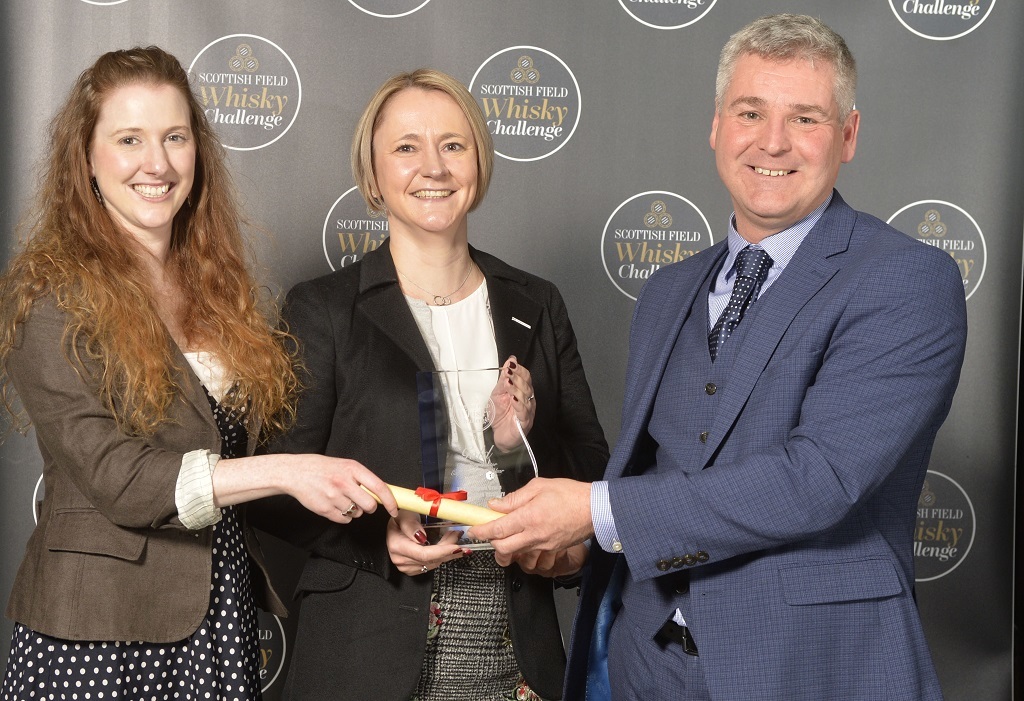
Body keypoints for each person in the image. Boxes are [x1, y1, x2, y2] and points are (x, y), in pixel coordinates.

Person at [470, 14, 968, 701]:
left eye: (806, 119)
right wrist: (577, 541)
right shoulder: (669, 289)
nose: (772, 141)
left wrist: (596, 511)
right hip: (646, 667)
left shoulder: (904, 279)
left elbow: (818, 478)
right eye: (751, 111)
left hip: (811, 668)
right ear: (716, 126)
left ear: (848, 135)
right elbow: (657, 476)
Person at [0, 46, 398, 700]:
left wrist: (383, 508)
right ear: (86, 159)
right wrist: (287, 472)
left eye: (175, 137)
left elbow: (261, 454)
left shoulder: (219, 294)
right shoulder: (50, 297)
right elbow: (119, 478)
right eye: (129, 139)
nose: (156, 163)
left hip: (219, 621)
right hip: (99, 635)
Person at [252, 68, 608, 700]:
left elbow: (590, 477)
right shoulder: (325, 310)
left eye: (453, 144)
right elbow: (274, 489)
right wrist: (375, 539)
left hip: (513, 644)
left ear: (479, 162)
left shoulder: (536, 304)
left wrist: (519, 452)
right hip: (366, 651)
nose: (434, 167)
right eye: (407, 147)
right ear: (373, 173)